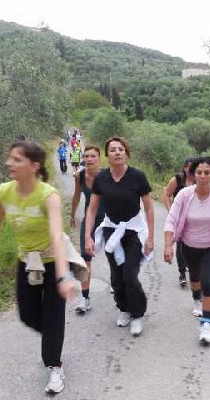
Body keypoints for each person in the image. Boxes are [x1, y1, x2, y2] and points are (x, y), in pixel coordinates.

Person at [0, 141, 76, 395]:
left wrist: (63, 275)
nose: (9, 163)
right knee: (27, 314)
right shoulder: (3, 192)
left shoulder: (48, 195)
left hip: (53, 260)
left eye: (17, 159)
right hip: (28, 261)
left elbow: (56, 235)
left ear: (34, 166)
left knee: (52, 315)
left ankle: (55, 365)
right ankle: (54, 336)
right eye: (10, 158)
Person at [85, 137, 154, 337]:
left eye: (121, 149)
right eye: (113, 150)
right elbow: (92, 209)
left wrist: (150, 238)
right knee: (116, 277)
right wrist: (88, 236)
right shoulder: (101, 178)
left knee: (129, 276)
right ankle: (124, 308)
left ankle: (137, 314)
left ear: (126, 153)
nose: (117, 152)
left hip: (133, 232)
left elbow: (149, 208)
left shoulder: (137, 176)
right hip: (111, 231)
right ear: (107, 155)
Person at [164, 156, 210, 345]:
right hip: (189, 246)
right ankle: (196, 299)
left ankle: (207, 324)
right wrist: (168, 244)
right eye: (199, 172)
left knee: (208, 282)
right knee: (194, 279)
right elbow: (171, 218)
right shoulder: (184, 195)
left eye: (207, 172)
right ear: (193, 175)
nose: (203, 176)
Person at [70, 145, 106, 313]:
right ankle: (85, 298)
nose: (89, 159)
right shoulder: (80, 176)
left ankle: (117, 285)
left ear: (99, 158)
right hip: (89, 220)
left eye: (93, 156)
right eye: (86, 156)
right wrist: (72, 215)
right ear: (83, 158)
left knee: (114, 255)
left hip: (108, 220)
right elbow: (77, 196)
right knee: (85, 259)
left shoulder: (106, 175)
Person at [162, 157, 195, 287]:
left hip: (195, 219)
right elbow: (166, 195)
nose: (191, 170)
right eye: (189, 167)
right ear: (185, 167)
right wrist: (171, 211)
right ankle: (182, 274)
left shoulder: (200, 179)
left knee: (192, 246)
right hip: (179, 218)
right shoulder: (177, 179)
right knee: (180, 246)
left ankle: (190, 265)